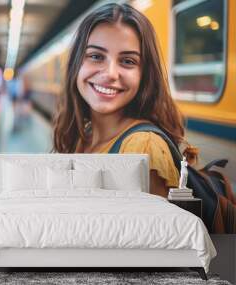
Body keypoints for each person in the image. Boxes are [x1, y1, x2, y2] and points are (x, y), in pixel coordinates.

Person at [53, 3, 193, 197]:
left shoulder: (142, 146)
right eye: (95, 56)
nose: (110, 74)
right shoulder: (84, 135)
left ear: (144, 75)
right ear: (76, 64)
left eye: (128, 61)